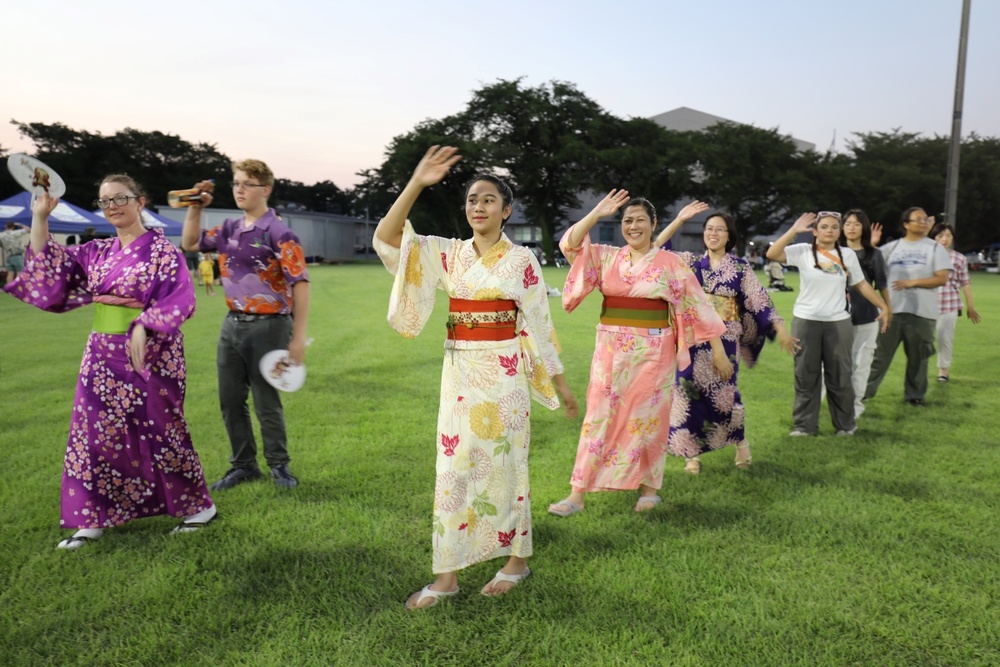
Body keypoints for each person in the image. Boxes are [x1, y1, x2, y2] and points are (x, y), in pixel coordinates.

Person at [372, 146, 578, 610]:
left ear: (507, 210)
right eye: (471, 200)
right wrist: (417, 183)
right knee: (452, 472)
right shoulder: (446, 254)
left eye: (488, 200)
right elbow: (389, 238)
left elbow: (541, 327)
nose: (478, 207)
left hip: (505, 378)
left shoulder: (522, 260)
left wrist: (561, 385)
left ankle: (516, 561)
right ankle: (447, 577)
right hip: (459, 375)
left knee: (506, 469)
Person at [3, 175, 216, 549]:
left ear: (140, 201)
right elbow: (50, 266)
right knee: (94, 436)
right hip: (100, 355)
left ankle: (197, 506)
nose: (113, 206)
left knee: (163, 430)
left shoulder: (164, 252)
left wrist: (144, 327)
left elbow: (179, 299)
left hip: (152, 353)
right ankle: (93, 517)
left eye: (121, 198)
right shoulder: (96, 251)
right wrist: (40, 217)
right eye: (105, 201)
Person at [547, 190, 731, 517]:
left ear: (654, 224)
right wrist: (597, 213)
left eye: (640, 220)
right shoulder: (605, 256)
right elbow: (569, 245)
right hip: (610, 352)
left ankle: (649, 489)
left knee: (649, 420)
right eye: (627, 221)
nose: (633, 226)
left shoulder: (670, 263)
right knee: (598, 418)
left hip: (653, 353)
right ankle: (577, 493)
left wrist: (718, 351)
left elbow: (697, 307)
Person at [181, 160, 311, 490]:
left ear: (264, 190)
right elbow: (191, 243)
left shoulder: (280, 232)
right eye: (236, 183)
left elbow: (301, 283)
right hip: (232, 324)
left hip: (270, 326)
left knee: (267, 400)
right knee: (230, 399)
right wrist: (195, 206)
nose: (239, 189)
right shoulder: (227, 229)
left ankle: (279, 466)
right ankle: (243, 465)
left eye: (247, 184)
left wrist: (298, 336)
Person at [655, 209, 797, 473]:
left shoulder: (740, 268)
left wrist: (780, 329)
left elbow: (759, 300)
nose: (713, 233)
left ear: (729, 235)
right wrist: (679, 220)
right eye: (709, 228)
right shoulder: (691, 261)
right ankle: (691, 453)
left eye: (720, 229)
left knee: (724, 395)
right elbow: (658, 248)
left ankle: (741, 443)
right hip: (693, 338)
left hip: (726, 336)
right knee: (687, 392)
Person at [767, 212, 889, 436]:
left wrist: (883, 306)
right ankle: (805, 426)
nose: (830, 230)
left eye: (834, 227)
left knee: (840, 375)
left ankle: (845, 425)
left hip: (839, 322)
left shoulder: (848, 255)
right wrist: (794, 230)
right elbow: (772, 253)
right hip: (806, 320)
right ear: (815, 231)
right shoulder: (803, 251)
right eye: (824, 227)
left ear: (839, 231)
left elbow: (861, 284)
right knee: (806, 374)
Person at [864, 207, 951, 407]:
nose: (923, 222)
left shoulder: (935, 248)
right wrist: (872, 245)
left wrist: (913, 282)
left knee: (918, 358)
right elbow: (867, 268)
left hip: (922, 313)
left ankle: (914, 396)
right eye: (918, 219)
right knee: (879, 356)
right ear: (906, 224)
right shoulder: (891, 248)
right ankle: (863, 392)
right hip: (891, 312)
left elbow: (942, 278)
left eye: (925, 219)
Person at [840, 210, 891, 418]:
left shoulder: (873, 254)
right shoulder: (834, 252)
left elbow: (881, 285)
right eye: (848, 223)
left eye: (857, 224)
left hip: (867, 316)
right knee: (838, 364)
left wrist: (888, 310)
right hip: (837, 317)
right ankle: (835, 403)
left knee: (862, 363)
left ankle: (855, 406)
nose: (851, 227)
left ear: (864, 228)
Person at [930, 221, 981, 382]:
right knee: (923, 341)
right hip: (926, 305)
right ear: (934, 237)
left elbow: (965, 282)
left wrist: (970, 306)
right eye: (940, 235)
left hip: (949, 305)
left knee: (946, 339)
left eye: (948, 235)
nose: (945, 239)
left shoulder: (958, 258)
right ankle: (917, 371)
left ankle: (943, 371)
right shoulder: (926, 255)